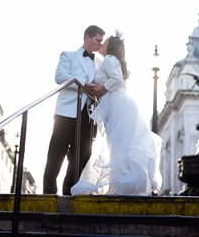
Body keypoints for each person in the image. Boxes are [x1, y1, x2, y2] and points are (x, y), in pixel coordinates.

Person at [71, 34, 162, 195]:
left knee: (119, 146)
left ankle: (121, 188)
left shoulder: (109, 59)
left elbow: (117, 80)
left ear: (110, 46)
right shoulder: (109, 60)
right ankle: (123, 186)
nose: (101, 44)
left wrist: (101, 88)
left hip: (118, 107)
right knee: (120, 146)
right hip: (119, 106)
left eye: (104, 42)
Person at [43, 25, 105, 195]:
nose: (100, 45)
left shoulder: (100, 63)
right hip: (66, 113)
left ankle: (68, 192)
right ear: (87, 37)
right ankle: (49, 193)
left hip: (88, 115)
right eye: (98, 40)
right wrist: (82, 85)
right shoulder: (68, 55)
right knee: (56, 154)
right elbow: (60, 77)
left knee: (81, 156)